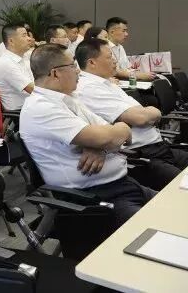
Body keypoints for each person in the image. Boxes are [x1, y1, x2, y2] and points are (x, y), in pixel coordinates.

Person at [20, 43, 156, 227]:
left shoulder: (70, 99)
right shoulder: (41, 108)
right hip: (92, 198)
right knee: (161, 227)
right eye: (73, 66)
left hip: (122, 185)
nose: (78, 71)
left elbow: (119, 131)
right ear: (55, 73)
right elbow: (108, 136)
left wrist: (101, 147)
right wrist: (104, 139)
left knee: (177, 206)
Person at [75, 38, 188, 190]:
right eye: (109, 57)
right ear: (92, 63)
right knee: (182, 189)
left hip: (158, 146)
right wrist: (152, 112)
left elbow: (144, 113)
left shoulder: (107, 83)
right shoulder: (89, 89)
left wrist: (150, 113)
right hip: (141, 154)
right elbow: (140, 118)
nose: (115, 61)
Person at [0, 24, 35, 111]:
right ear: (11, 41)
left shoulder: (24, 57)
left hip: (31, 106)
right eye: (24, 35)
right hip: (20, 112)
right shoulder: (6, 63)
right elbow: (32, 89)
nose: (29, 39)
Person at [106, 17, 156, 82]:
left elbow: (127, 68)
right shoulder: (104, 47)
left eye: (126, 31)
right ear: (112, 32)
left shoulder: (120, 47)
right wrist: (138, 75)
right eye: (123, 31)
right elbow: (114, 71)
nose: (126, 34)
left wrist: (141, 74)